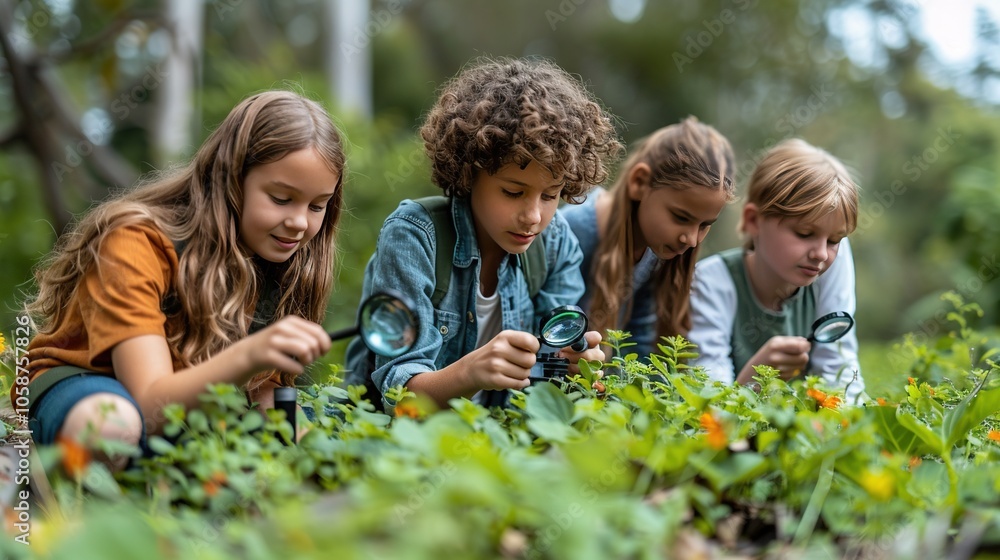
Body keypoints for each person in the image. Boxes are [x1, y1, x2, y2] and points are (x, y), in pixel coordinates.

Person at [16, 90, 345, 469]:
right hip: (89, 382)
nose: (300, 223)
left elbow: (262, 391)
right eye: (281, 198)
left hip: (186, 396)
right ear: (233, 179)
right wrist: (250, 355)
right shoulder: (134, 242)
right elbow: (151, 406)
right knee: (113, 427)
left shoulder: (277, 259)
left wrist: (305, 446)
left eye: (317, 205)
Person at [344, 56, 622, 410]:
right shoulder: (415, 236)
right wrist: (470, 372)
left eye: (550, 195)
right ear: (470, 173)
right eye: (512, 192)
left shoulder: (555, 243)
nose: (534, 216)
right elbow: (399, 398)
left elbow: (545, 386)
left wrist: (571, 368)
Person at [687, 138, 864, 400]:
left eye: (835, 240)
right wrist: (756, 378)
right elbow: (706, 401)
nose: (821, 253)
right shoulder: (711, 282)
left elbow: (840, 370)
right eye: (804, 233)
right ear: (753, 220)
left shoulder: (830, 263)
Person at [561, 117, 735, 359]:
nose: (692, 240)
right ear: (639, 182)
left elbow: (639, 341)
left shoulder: (655, 248)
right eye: (681, 217)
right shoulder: (572, 233)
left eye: (705, 225)